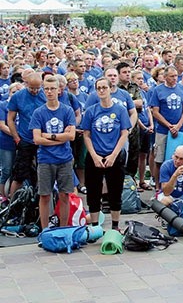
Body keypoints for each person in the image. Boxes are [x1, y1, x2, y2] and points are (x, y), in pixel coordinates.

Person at [81, 77, 131, 230]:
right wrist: (95, 156)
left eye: (104, 87)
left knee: (115, 192)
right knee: (93, 192)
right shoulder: (91, 111)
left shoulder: (120, 110)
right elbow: (86, 135)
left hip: (114, 155)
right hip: (95, 155)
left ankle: (115, 226)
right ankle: (95, 226)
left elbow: (124, 133)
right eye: (99, 88)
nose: (102, 90)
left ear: (110, 89)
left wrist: (114, 155)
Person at [30, 76, 76, 229]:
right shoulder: (39, 113)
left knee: (64, 195)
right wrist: (60, 137)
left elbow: (71, 136)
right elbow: (37, 139)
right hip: (45, 159)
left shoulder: (67, 110)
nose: (49, 92)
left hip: (64, 158)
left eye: (52, 89)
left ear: (59, 90)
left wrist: (49, 136)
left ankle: (63, 229)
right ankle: (44, 230)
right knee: (44, 196)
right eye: (47, 89)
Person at [7, 72, 46, 197]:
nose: (35, 91)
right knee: (19, 173)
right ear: (26, 84)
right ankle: (12, 203)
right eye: (32, 88)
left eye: (37, 88)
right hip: (25, 139)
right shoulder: (18, 96)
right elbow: (10, 119)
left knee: (43, 173)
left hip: (43, 139)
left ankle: (40, 200)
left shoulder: (46, 94)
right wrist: (16, 137)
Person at [150, 66, 183, 171]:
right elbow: (155, 112)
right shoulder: (158, 90)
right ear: (165, 77)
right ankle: (158, 185)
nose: (175, 78)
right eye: (172, 76)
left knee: (181, 159)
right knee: (160, 160)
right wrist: (169, 126)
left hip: (180, 129)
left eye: (176, 76)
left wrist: (178, 125)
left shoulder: (182, 88)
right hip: (163, 130)